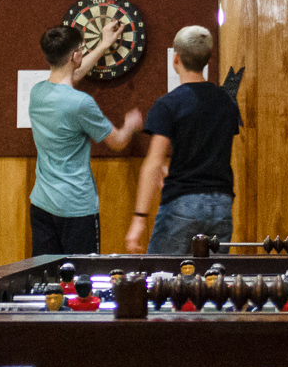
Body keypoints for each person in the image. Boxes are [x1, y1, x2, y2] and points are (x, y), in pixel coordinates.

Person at [125, 26, 242, 256]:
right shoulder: (227, 102)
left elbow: (154, 163)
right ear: (208, 59)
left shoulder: (168, 104)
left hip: (182, 202)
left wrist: (139, 218)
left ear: (175, 59)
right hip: (222, 203)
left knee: (163, 274)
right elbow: (211, 151)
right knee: (211, 276)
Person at [29, 23, 143, 257]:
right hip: (76, 208)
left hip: (41, 204)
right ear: (75, 56)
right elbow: (118, 142)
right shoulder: (81, 103)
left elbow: (71, 76)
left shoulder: (37, 92)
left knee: (47, 275)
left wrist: (103, 44)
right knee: (82, 276)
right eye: (80, 50)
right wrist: (130, 125)